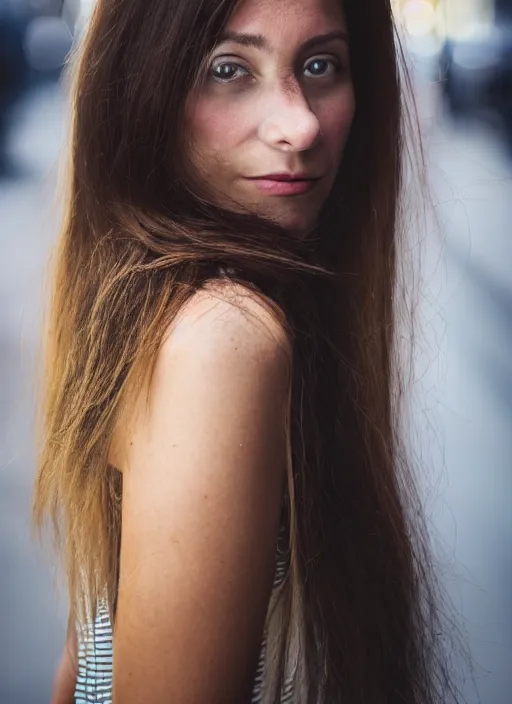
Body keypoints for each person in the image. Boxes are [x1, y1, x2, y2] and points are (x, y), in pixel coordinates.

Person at [32, 0, 465, 702]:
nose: (301, 124)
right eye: (229, 69)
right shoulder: (224, 338)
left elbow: (86, 652)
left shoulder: (149, 309)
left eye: (321, 64)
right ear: (143, 91)